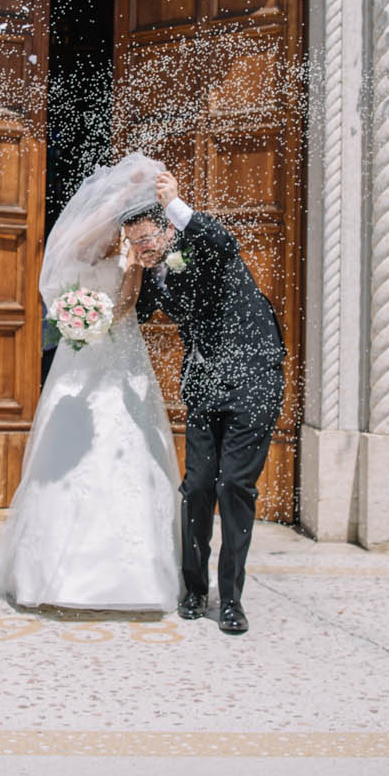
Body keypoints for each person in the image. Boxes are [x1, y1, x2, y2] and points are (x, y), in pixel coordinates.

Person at [0, 154, 179, 614]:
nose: (119, 232)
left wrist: (132, 268)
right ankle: (51, 572)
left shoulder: (129, 259)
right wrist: (127, 193)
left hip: (122, 360)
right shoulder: (75, 255)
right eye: (117, 222)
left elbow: (126, 307)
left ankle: (137, 580)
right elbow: (69, 275)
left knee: (129, 452)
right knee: (73, 456)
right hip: (80, 368)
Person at [131, 167, 286, 636]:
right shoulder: (152, 274)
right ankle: (194, 589)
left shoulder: (202, 246)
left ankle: (232, 600)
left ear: (166, 228)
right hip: (204, 386)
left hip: (252, 378)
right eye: (134, 242)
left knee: (233, 486)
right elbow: (133, 317)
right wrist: (120, 271)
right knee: (197, 487)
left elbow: (219, 241)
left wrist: (178, 204)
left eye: (148, 238)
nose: (144, 249)